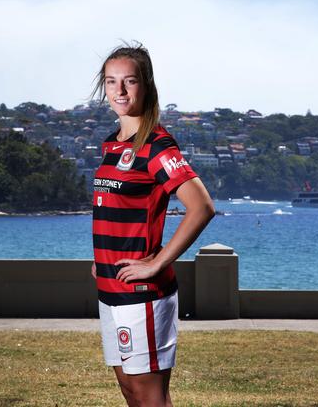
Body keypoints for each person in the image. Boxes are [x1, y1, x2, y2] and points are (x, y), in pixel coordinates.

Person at [90, 42, 215, 406]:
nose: (120, 91)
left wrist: (158, 262)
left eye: (129, 81)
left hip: (142, 295)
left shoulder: (157, 147)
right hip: (111, 289)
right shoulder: (112, 145)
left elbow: (201, 207)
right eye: (112, 82)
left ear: (146, 85)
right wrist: (102, 258)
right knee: (131, 391)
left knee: (149, 396)